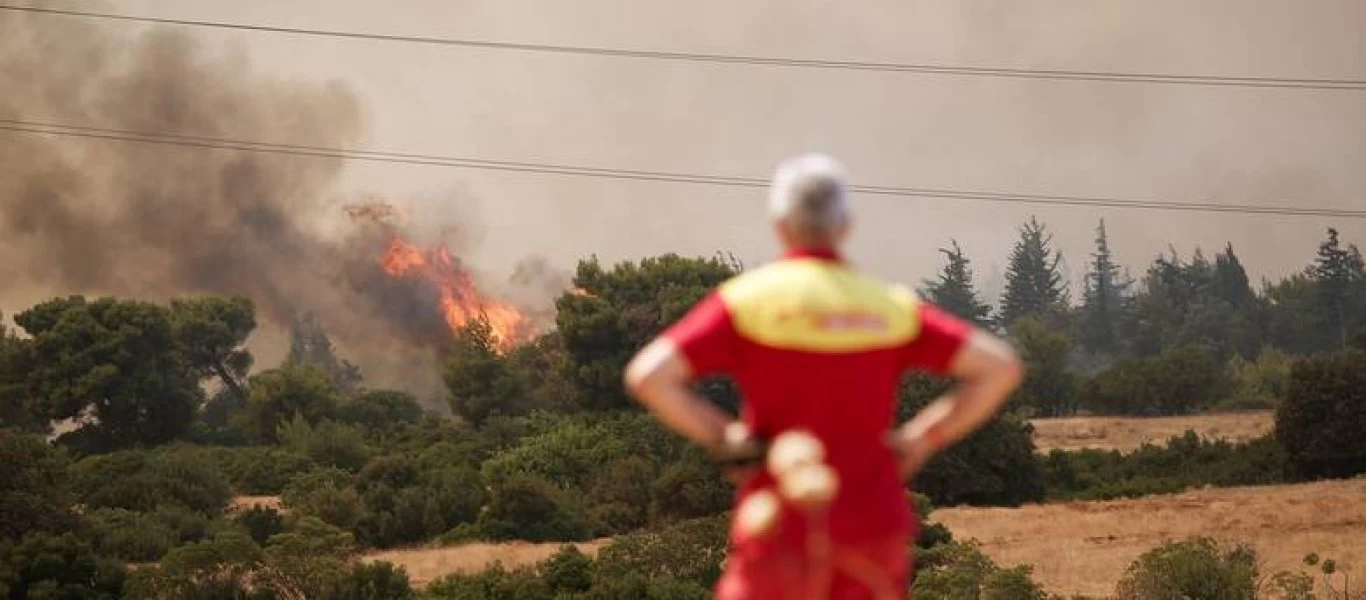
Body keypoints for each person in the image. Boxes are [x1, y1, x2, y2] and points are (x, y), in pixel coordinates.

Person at [623, 152, 1025, 599]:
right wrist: (921, 439)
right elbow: (999, 367)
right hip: (871, 529)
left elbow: (648, 376)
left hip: (778, 526)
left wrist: (727, 438)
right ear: (845, 225)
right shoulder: (888, 307)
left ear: (780, 225)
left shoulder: (747, 302)